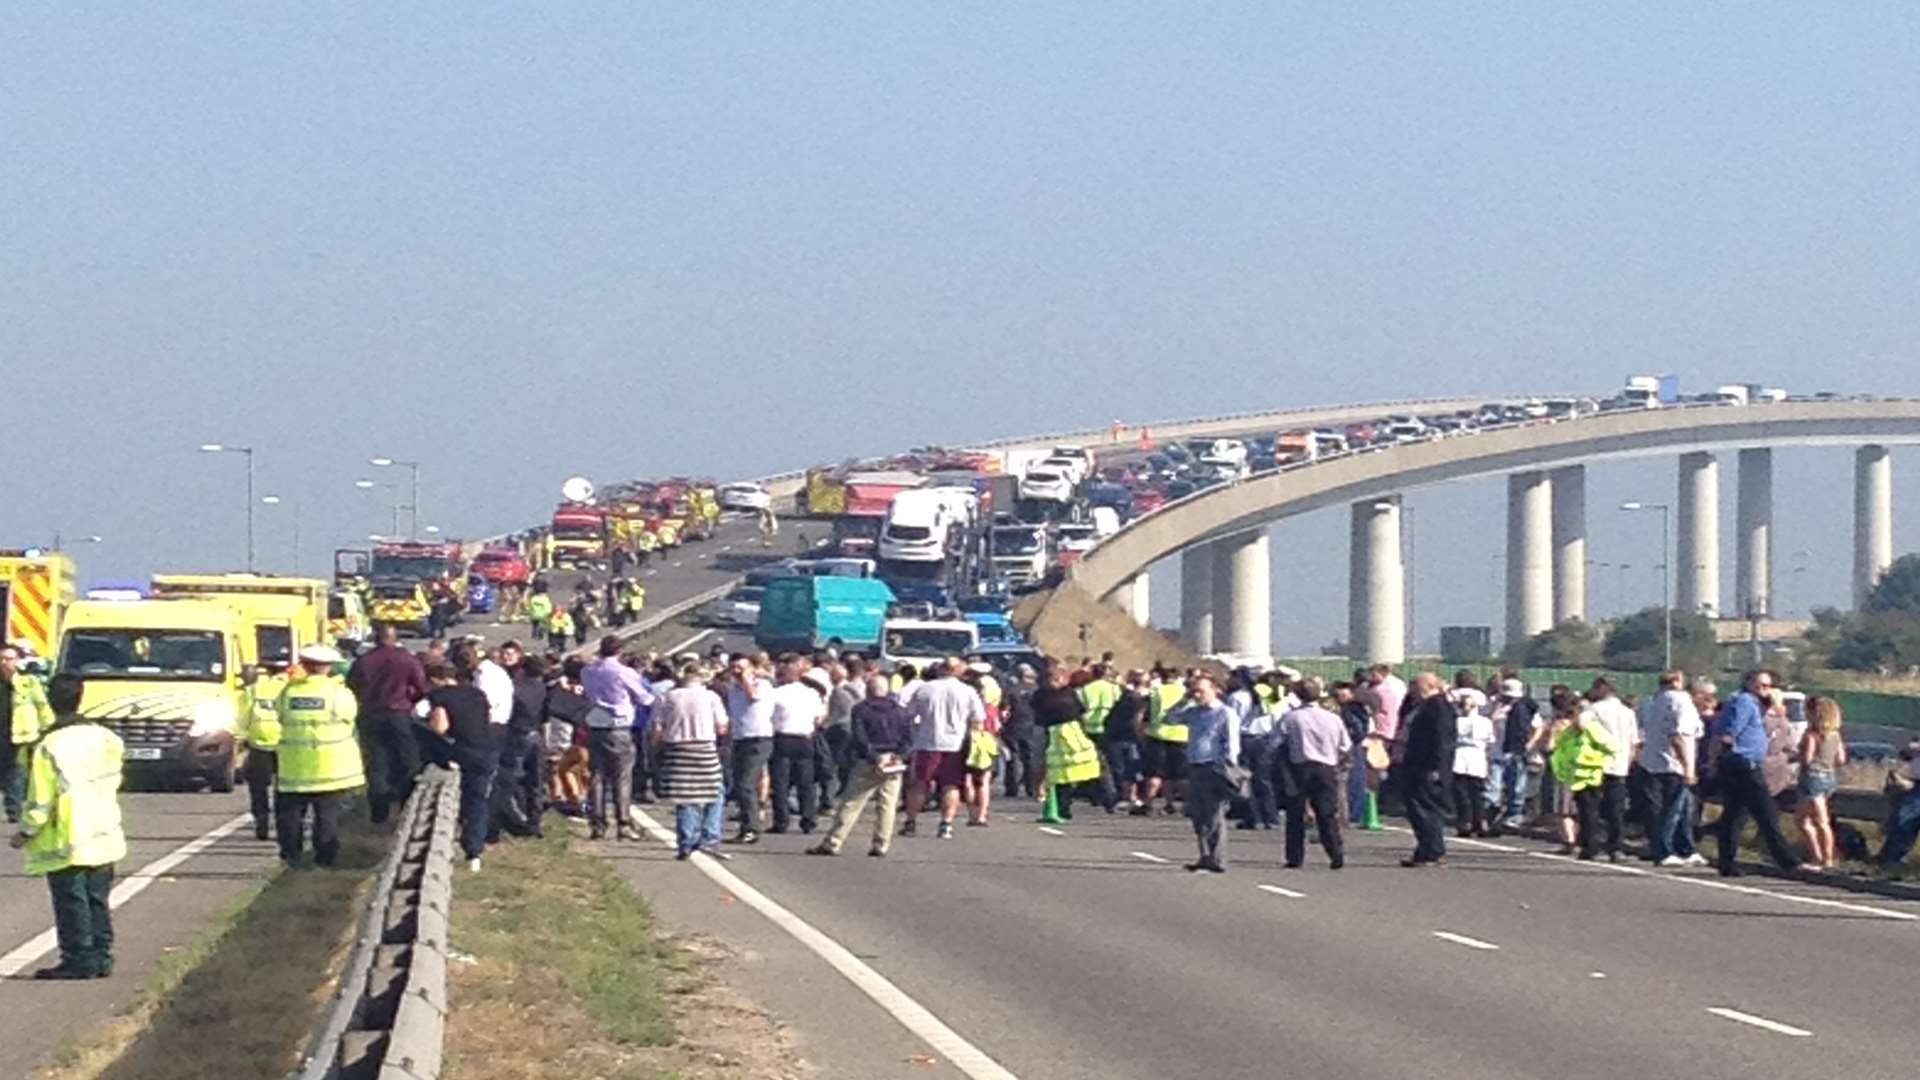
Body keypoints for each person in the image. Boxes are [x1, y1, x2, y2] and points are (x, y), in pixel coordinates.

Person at [10, 673, 124, 979]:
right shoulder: (107, 737)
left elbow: (40, 799)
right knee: (98, 899)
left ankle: (78, 959)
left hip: (69, 834)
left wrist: (26, 831)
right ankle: (101, 956)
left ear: (50, 701)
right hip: (106, 829)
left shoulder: (50, 745)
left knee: (71, 902)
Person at [276, 645, 365, 868]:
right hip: (331, 769)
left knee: (290, 817)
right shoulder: (339, 694)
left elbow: (279, 716)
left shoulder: (288, 693)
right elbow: (350, 718)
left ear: (303, 666)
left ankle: (292, 857)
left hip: (294, 768)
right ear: (330, 668)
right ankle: (324, 859)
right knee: (327, 817)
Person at [1709, 670, 1802, 876]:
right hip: (1743, 763)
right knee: (1766, 812)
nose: (1764, 690)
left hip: (1742, 762)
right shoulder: (1744, 702)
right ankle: (1787, 860)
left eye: (1767, 686)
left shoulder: (1752, 704)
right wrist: (1720, 757)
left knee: (1735, 815)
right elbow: (1729, 732)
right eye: (1759, 685)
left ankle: (1727, 861)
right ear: (1748, 684)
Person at [810, 675, 911, 857]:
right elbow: (909, 738)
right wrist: (899, 756)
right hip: (894, 762)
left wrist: (874, 756)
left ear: (868, 691)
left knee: (852, 802)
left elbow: (859, 736)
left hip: (868, 761)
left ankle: (833, 842)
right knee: (887, 805)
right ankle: (881, 844)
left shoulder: (861, 710)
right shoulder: (901, 711)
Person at [345, 624, 427, 824]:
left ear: (375, 639)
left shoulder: (364, 661)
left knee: (376, 763)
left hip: (370, 715)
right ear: (395, 637)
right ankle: (404, 805)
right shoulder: (407, 659)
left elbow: (351, 686)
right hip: (399, 714)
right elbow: (420, 686)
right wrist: (411, 701)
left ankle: (378, 813)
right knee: (407, 761)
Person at [424, 650, 498, 872]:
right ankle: (474, 852)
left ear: (435, 679)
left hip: (462, 752)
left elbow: (440, 727)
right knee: (478, 801)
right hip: (486, 750)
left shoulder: (440, 696)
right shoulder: (478, 694)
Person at [651, 662, 730, 859]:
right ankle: (710, 837)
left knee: (685, 796)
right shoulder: (711, 697)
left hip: (678, 748)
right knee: (715, 792)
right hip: (704, 748)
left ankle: (685, 843)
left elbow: (657, 727)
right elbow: (722, 727)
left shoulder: (668, 696)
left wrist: (655, 749)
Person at [581, 636, 653, 842]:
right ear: (620, 651)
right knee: (622, 776)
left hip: (595, 725)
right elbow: (643, 697)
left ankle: (598, 823)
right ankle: (623, 822)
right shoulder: (624, 672)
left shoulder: (587, 671)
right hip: (618, 725)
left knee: (597, 776)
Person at [904, 659, 985, 839]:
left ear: (941, 669)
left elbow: (909, 714)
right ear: (957, 671)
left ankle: (911, 822)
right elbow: (978, 719)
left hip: (927, 743)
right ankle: (946, 824)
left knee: (919, 784)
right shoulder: (967, 691)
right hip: (955, 744)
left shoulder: (925, 689)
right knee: (951, 784)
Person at [1277, 679, 1349, 869]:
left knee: (1295, 814)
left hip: (1298, 769)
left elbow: (1276, 742)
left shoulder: (1291, 718)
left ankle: (1295, 857)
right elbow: (1345, 746)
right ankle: (1336, 853)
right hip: (1326, 769)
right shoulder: (1333, 718)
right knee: (1327, 814)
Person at [1638, 670, 1706, 867]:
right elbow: (1679, 736)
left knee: (1683, 808)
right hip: (1674, 763)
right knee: (1673, 809)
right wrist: (1689, 768)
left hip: (1653, 761)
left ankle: (1686, 848)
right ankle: (1664, 850)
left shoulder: (1650, 702)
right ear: (1677, 682)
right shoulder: (1680, 702)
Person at [1177, 673, 1240, 873]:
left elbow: (1232, 743)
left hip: (1215, 766)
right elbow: (1169, 718)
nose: (1197, 695)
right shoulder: (1193, 712)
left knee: (1214, 813)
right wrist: (1184, 699)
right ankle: (1204, 855)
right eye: (1194, 691)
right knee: (1198, 814)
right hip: (1195, 765)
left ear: (1215, 690)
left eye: (1201, 691)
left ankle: (1217, 858)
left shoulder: (1224, 713)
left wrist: (1229, 767)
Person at [1553, 689, 1619, 861]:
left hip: (1591, 776)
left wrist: (1596, 759)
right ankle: (1586, 846)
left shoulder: (1593, 729)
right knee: (1583, 813)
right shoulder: (1569, 732)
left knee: (1590, 813)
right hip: (1574, 777)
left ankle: (1592, 847)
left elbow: (1611, 746)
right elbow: (1560, 751)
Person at [1399, 673, 1454, 867]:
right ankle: (1425, 848)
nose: (1412, 689)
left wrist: (1438, 767)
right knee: (1417, 808)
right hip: (1415, 763)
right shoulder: (1421, 706)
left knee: (1426, 808)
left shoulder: (1438, 706)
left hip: (1427, 766)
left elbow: (1443, 740)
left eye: (1416, 686)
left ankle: (1433, 850)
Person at [767, 656, 827, 834]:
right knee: (806, 783)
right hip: (805, 738)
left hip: (783, 738)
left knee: (781, 783)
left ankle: (781, 821)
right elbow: (819, 718)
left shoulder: (776, 693)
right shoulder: (811, 693)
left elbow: (768, 716)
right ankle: (808, 819)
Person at [1032, 665, 1099, 824]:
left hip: (1068, 735)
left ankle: (1061, 801)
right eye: (1051, 678)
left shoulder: (1068, 693)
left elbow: (1080, 711)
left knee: (1068, 769)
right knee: (1045, 765)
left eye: (1056, 678)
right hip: (1049, 732)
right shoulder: (1042, 695)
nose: (1053, 682)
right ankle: (1043, 793)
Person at [1581, 678, 1639, 862]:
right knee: (1616, 809)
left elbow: (1581, 725)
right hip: (1619, 764)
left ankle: (1592, 847)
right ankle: (1616, 847)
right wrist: (1627, 763)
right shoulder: (1627, 712)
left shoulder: (1594, 709)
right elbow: (1633, 742)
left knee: (1590, 807)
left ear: (1601, 689)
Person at [495, 651, 549, 840]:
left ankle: (518, 820)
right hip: (536, 735)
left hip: (516, 735)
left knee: (513, 779)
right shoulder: (542, 688)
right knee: (536, 781)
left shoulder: (514, 690)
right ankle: (535, 822)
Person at [723, 654, 776, 844]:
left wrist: (747, 678)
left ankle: (752, 827)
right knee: (739, 784)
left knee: (746, 784)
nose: (737, 672)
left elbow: (753, 696)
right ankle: (745, 825)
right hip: (740, 739)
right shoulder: (733, 690)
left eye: (741, 667)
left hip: (759, 739)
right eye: (734, 668)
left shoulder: (763, 686)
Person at [1794, 696, 1848, 871]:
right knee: (1816, 819)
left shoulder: (1812, 735)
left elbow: (1807, 759)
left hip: (1812, 778)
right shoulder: (1835, 735)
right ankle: (1824, 858)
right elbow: (1841, 759)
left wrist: (1796, 756)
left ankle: (1822, 858)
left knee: (1808, 821)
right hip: (1829, 776)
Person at [2, 643, 51, 823]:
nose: (4, 663)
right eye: (2, 659)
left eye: (9, 659)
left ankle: (14, 810)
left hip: (19, 736)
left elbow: (42, 706)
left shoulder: (28, 683)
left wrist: (50, 728)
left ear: (17, 661)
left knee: (16, 773)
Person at [1488, 679, 1540, 831]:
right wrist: (1497, 709)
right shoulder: (1495, 707)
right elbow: (1488, 722)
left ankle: (1514, 815)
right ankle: (1492, 811)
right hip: (1497, 751)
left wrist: (1530, 743)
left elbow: (1537, 727)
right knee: (1494, 786)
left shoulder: (1525, 708)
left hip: (1517, 751)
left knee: (1517, 786)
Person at [1138, 668, 1190, 816]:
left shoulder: (1155, 691)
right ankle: (1188, 805)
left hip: (1158, 734)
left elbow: (1145, 713)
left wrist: (1142, 730)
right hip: (1181, 735)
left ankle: (1149, 804)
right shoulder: (1184, 691)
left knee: (1156, 773)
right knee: (1180, 775)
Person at [1450, 691, 1495, 838]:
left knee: (1462, 792)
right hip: (1476, 756)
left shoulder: (1456, 721)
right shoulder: (1485, 722)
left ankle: (1467, 821)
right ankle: (1480, 821)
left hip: (1462, 755)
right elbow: (1490, 741)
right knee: (1476, 792)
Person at [1103, 670, 1148, 814]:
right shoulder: (1137, 700)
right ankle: (1127, 797)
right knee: (1129, 769)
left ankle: (1128, 797)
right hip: (1126, 738)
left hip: (1115, 737)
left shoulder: (1124, 697)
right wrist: (1141, 738)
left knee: (1123, 769)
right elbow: (1136, 722)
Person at [1000, 665, 1041, 800]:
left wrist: (1003, 723)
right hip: (1031, 726)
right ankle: (1031, 787)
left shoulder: (1011, 690)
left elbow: (1005, 710)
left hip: (1013, 726)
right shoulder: (1036, 689)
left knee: (1012, 758)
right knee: (1030, 758)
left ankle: (1012, 788)